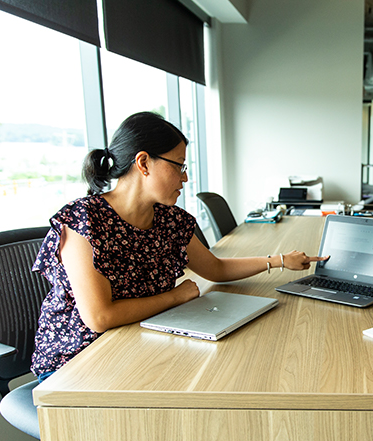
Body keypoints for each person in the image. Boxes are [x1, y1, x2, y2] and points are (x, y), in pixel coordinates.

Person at [31, 111, 327, 382]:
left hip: (141, 339)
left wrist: (278, 261)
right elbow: (100, 317)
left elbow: (215, 268)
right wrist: (175, 297)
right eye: (179, 167)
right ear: (144, 163)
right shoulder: (84, 220)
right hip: (77, 361)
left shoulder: (170, 219)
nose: (185, 178)